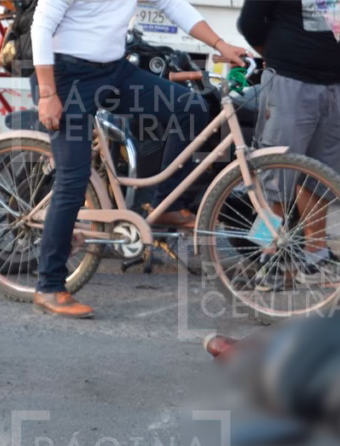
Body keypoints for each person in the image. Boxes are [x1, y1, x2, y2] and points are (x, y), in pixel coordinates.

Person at [29, 0, 246, 317]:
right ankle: (49, 286)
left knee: (191, 109)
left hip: (115, 72)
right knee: (73, 180)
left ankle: (166, 205)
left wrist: (220, 44)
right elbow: (42, 25)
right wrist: (48, 94)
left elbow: (173, 5)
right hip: (66, 76)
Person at [237, 0, 340, 280]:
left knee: (322, 174)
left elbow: (338, 17)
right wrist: (281, 56)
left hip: (335, 83)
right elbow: (249, 23)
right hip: (289, 81)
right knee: (275, 175)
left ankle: (316, 253)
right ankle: (266, 253)